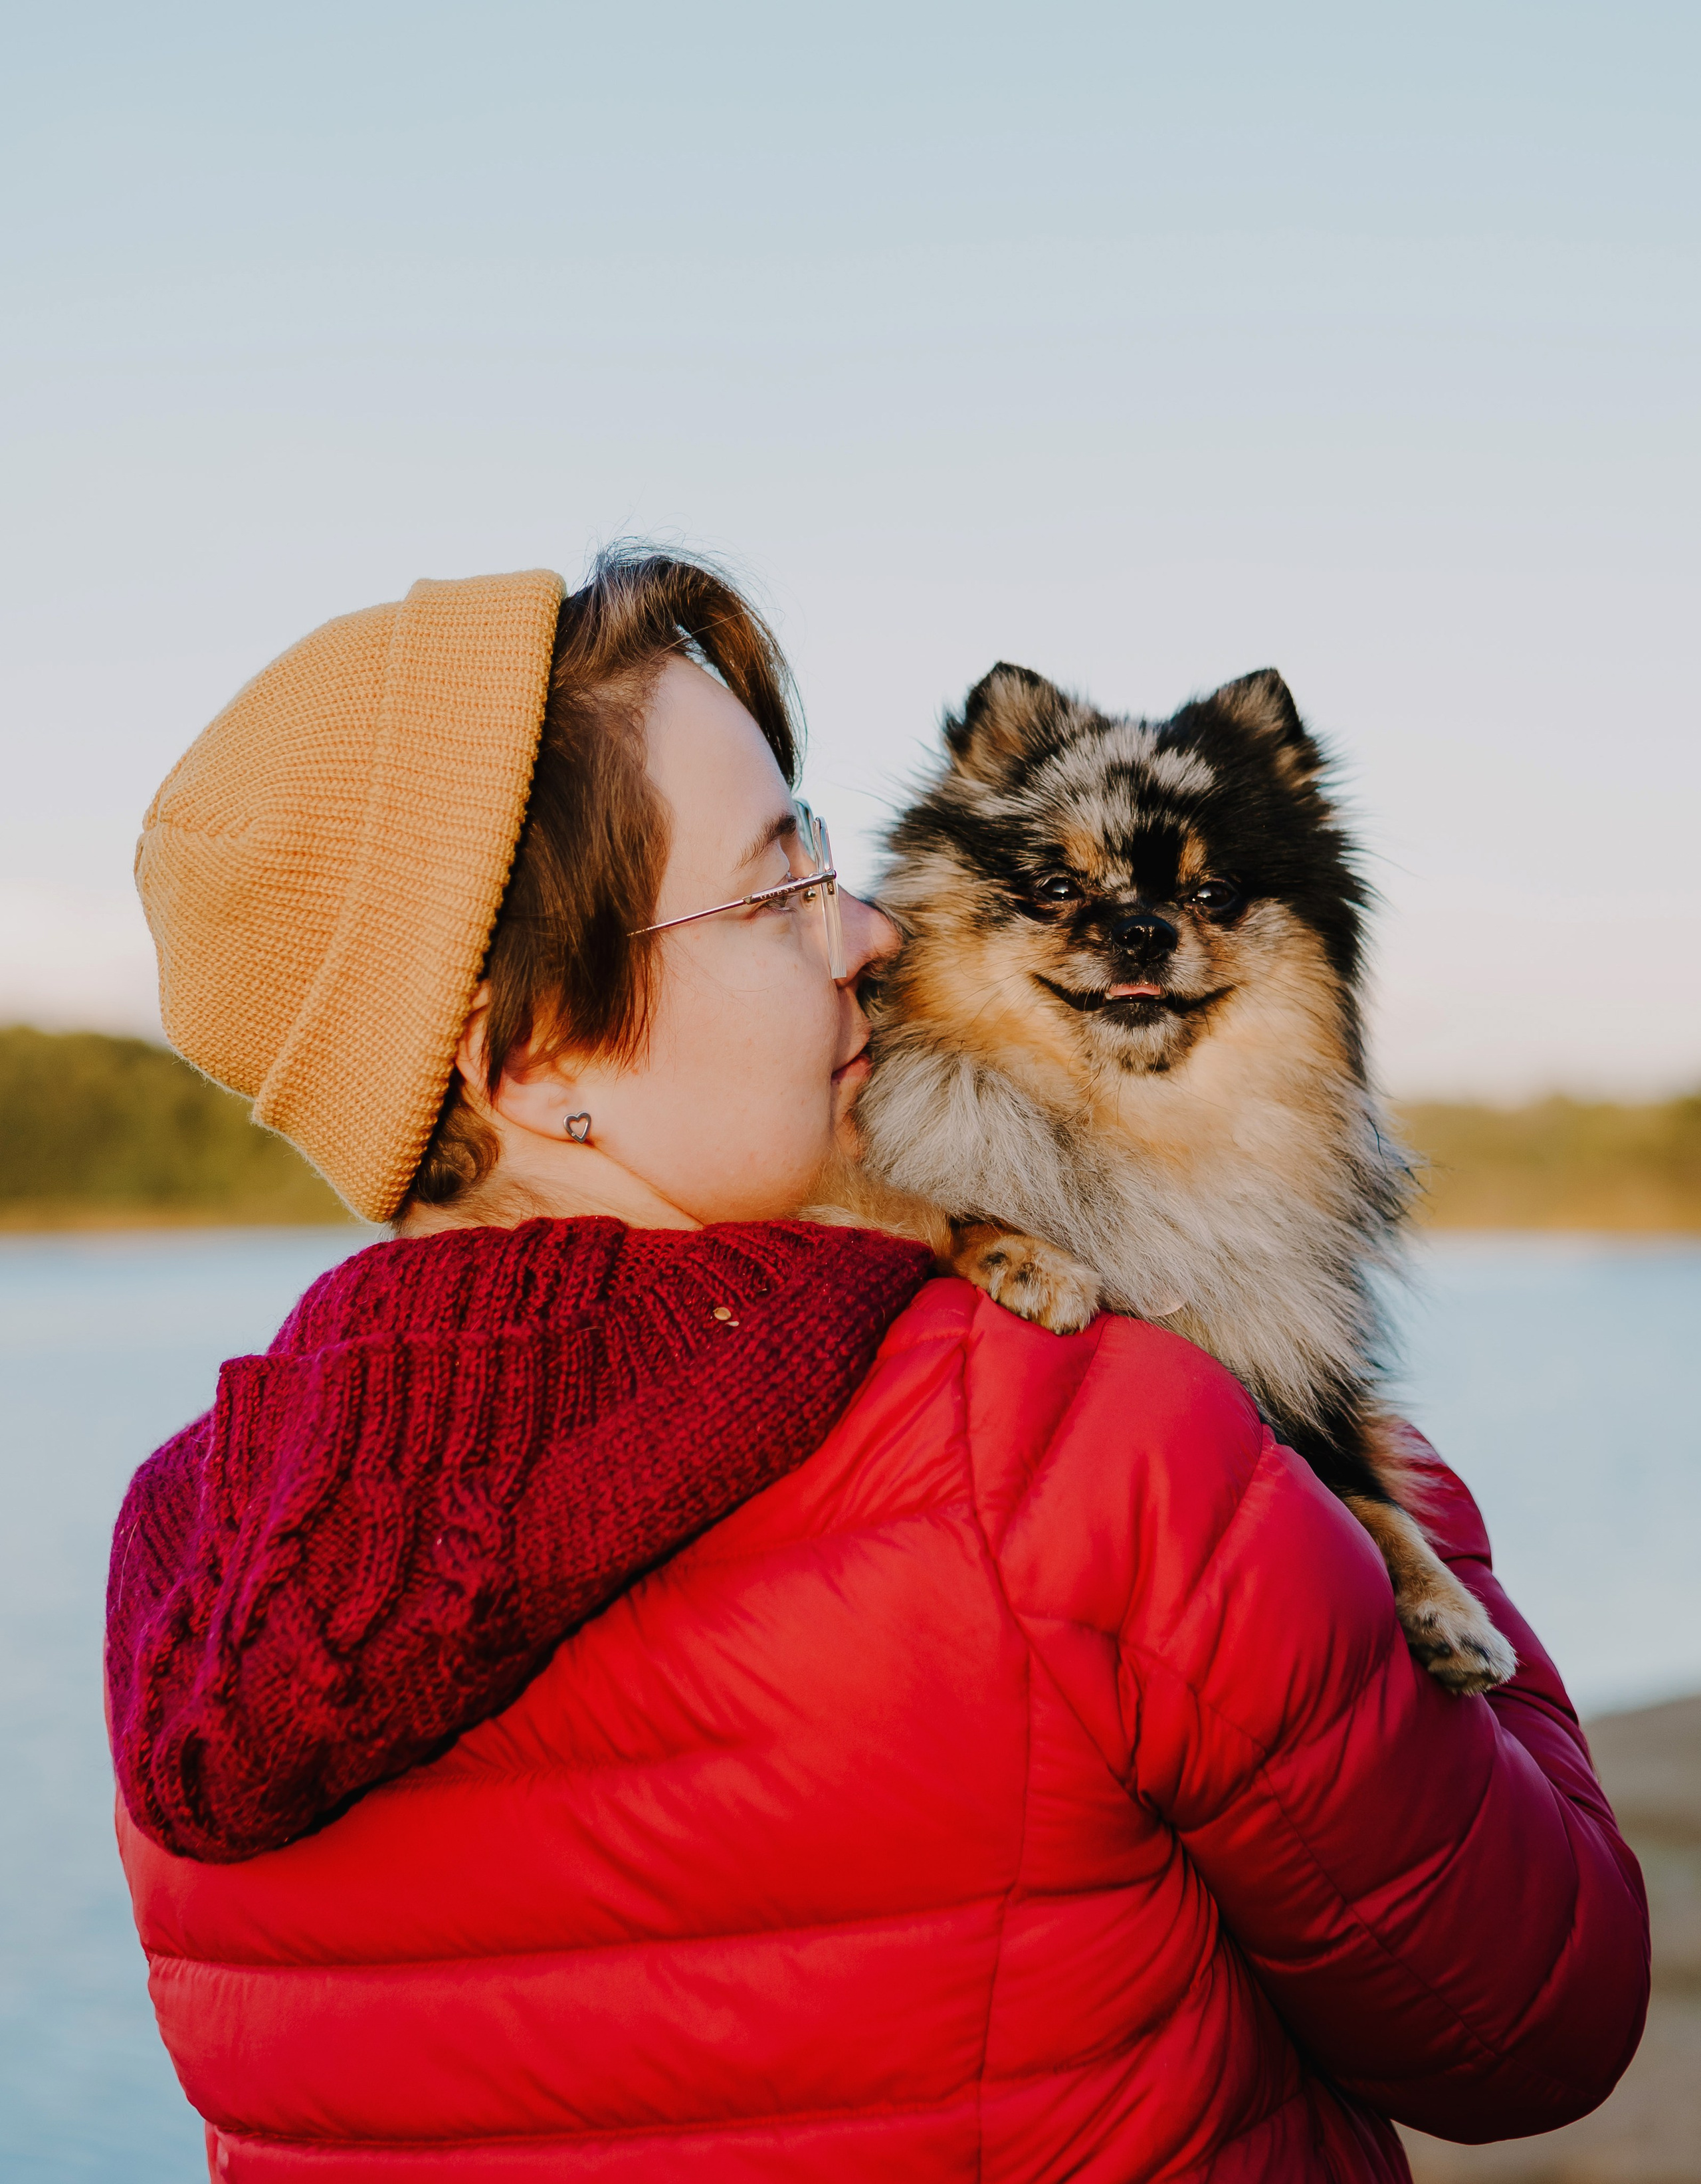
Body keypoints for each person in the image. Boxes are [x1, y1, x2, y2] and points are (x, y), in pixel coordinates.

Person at [108, 550, 1649, 2182]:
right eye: (775, 887)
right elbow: (1531, 2016)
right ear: (536, 1043)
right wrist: (1362, 1464)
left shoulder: (186, 1558)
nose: (863, 930)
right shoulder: (1085, 1437)